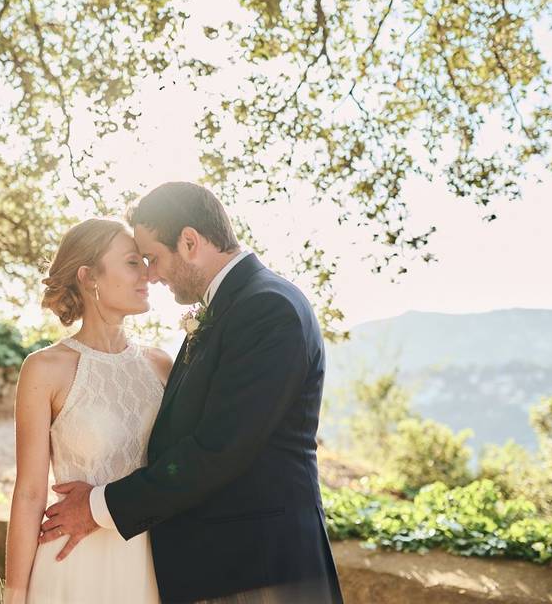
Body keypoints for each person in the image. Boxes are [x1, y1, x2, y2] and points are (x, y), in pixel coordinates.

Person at [39, 182, 344, 603]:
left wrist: (98, 507)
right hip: (225, 565)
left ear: (189, 241)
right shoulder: (233, 308)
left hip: (259, 570)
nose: (150, 274)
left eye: (152, 258)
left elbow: (220, 448)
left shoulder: (267, 308)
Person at [4, 218, 172, 603]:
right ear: (88, 276)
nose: (147, 273)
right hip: (73, 569)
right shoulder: (44, 369)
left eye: (145, 260)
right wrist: (15, 595)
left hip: (152, 564)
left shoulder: (162, 365)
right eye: (132, 262)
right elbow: (30, 493)